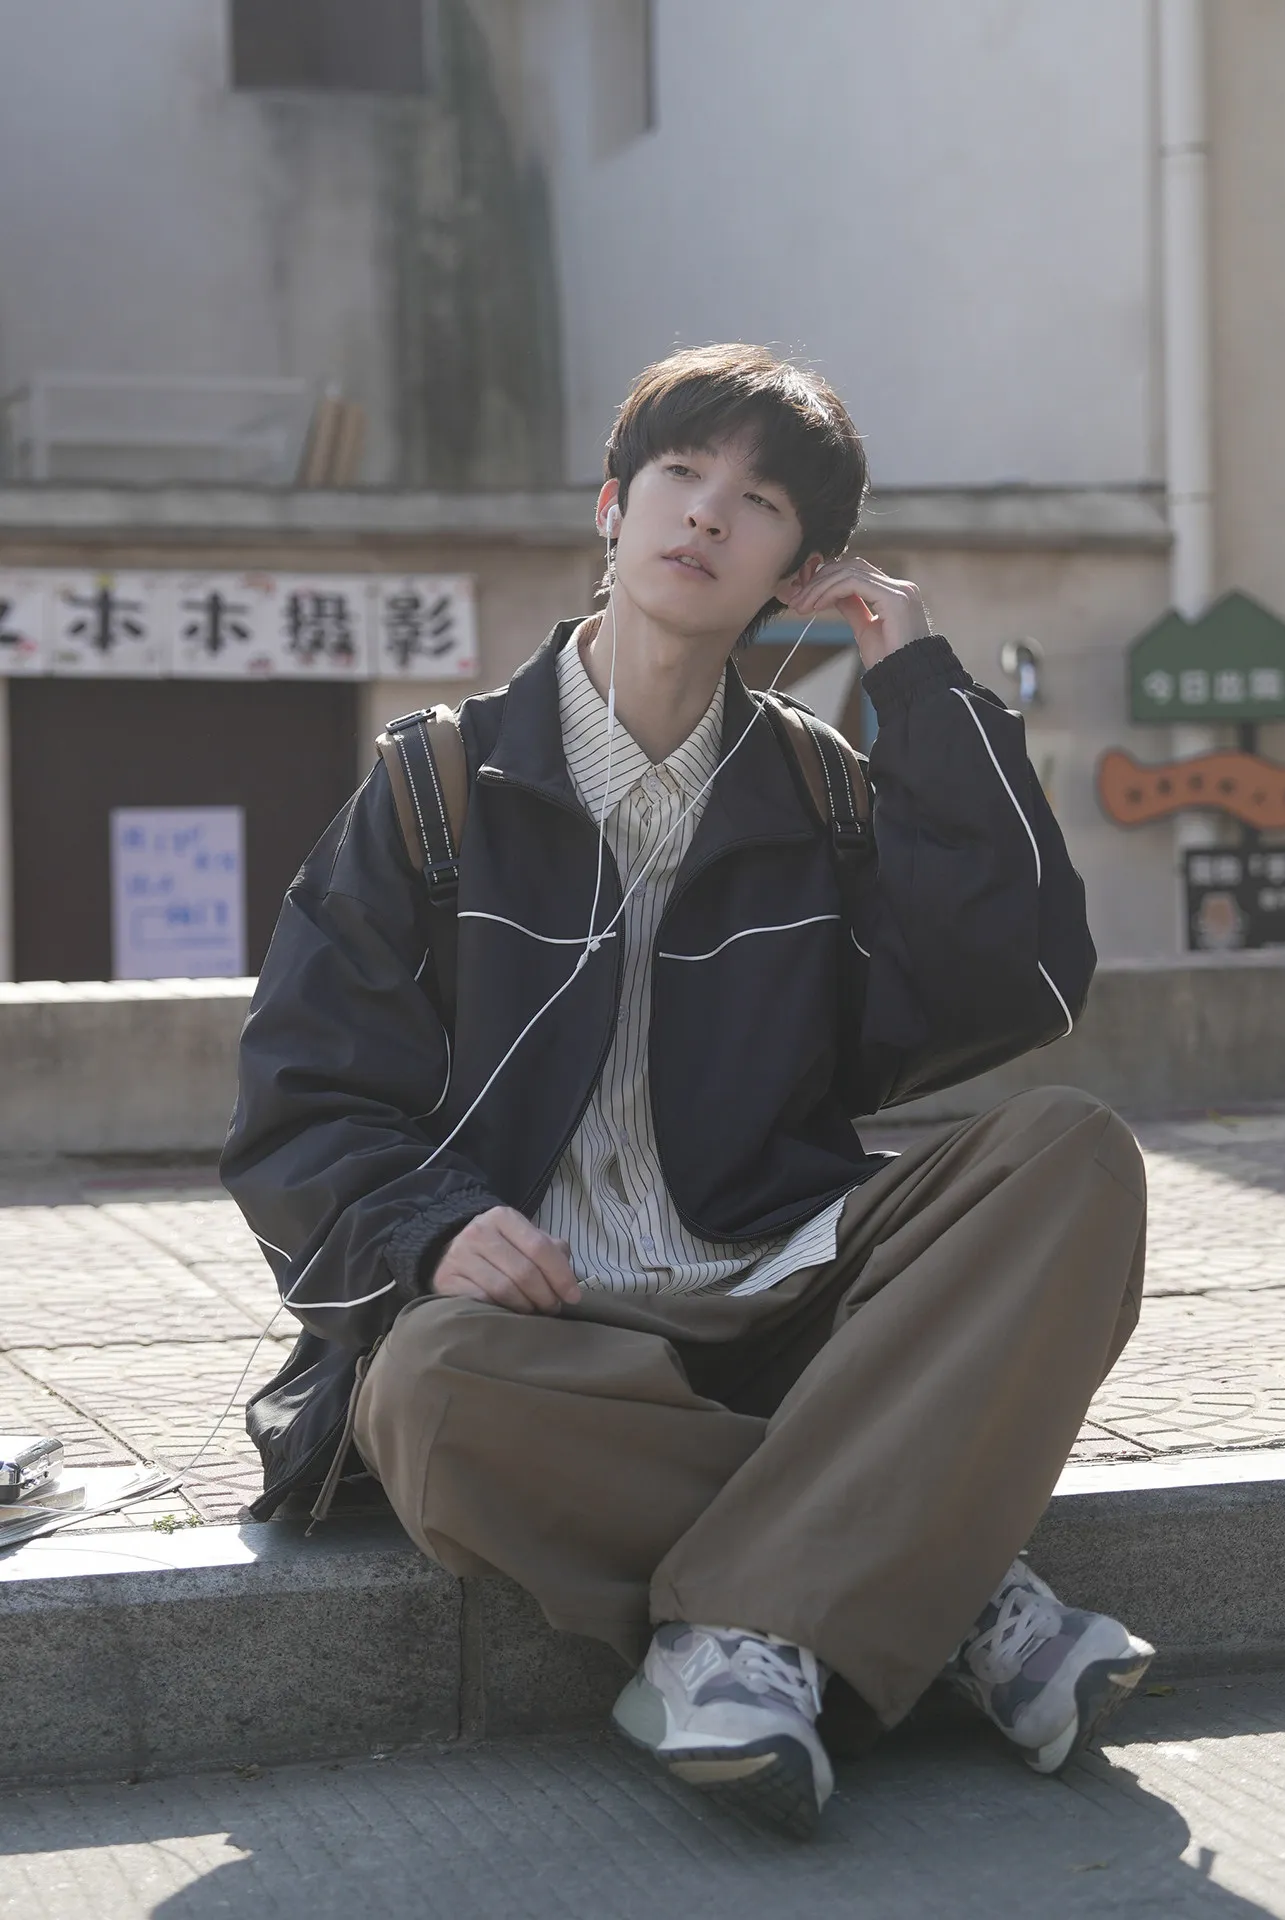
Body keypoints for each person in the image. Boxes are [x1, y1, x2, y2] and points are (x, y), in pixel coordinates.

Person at [221, 343, 1151, 1839]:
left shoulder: (824, 791)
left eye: (761, 502)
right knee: (427, 1395)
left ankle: (742, 1642)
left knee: (1073, 1154)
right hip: (551, 1330)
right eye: (681, 474)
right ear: (612, 505)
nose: (710, 513)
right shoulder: (436, 786)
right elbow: (301, 1097)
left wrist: (915, 682)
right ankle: (953, 1590)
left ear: (802, 568)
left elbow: (1016, 984)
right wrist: (430, 1229)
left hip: (790, 1290)